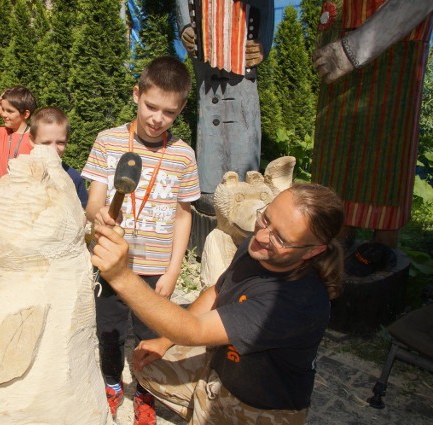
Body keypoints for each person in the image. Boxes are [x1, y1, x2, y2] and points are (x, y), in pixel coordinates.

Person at [91, 183, 345, 424]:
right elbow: (217, 291)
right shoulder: (256, 246)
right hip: (221, 373)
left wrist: (122, 277)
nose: (262, 235)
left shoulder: (294, 301)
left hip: (259, 410)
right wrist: (166, 340)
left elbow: (193, 331)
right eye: (265, 218)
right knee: (149, 362)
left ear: (313, 251)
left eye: (280, 238)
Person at [82, 56, 201, 424]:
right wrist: (98, 214)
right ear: (137, 94)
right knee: (110, 331)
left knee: (151, 336)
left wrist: (173, 269)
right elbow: (92, 203)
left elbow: (184, 216)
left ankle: (148, 389)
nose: (156, 118)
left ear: (180, 108)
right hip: (113, 264)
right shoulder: (109, 141)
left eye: (169, 112)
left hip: (155, 270)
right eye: (151, 106)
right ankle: (112, 382)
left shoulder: (183, 154)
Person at [311, 0, 433, 248]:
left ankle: (383, 253)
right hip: (339, 39)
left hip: (396, 47)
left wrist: (354, 48)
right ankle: (333, 244)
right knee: (335, 158)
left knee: (385, 158)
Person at [174, 0, 274, 214]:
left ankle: (245, 185)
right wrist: (185, 26)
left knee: (243, 117)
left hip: (243, 45)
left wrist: (263, 42)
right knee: (210, 115)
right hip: (206, 42)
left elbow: (265, 6)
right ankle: (210, 185)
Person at [29, 106, 88, 208]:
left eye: (60, 142)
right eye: (46, 142)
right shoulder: (21, 173)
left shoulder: (74, 177)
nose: (53, 149)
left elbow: (82, 211)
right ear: (32, 140)